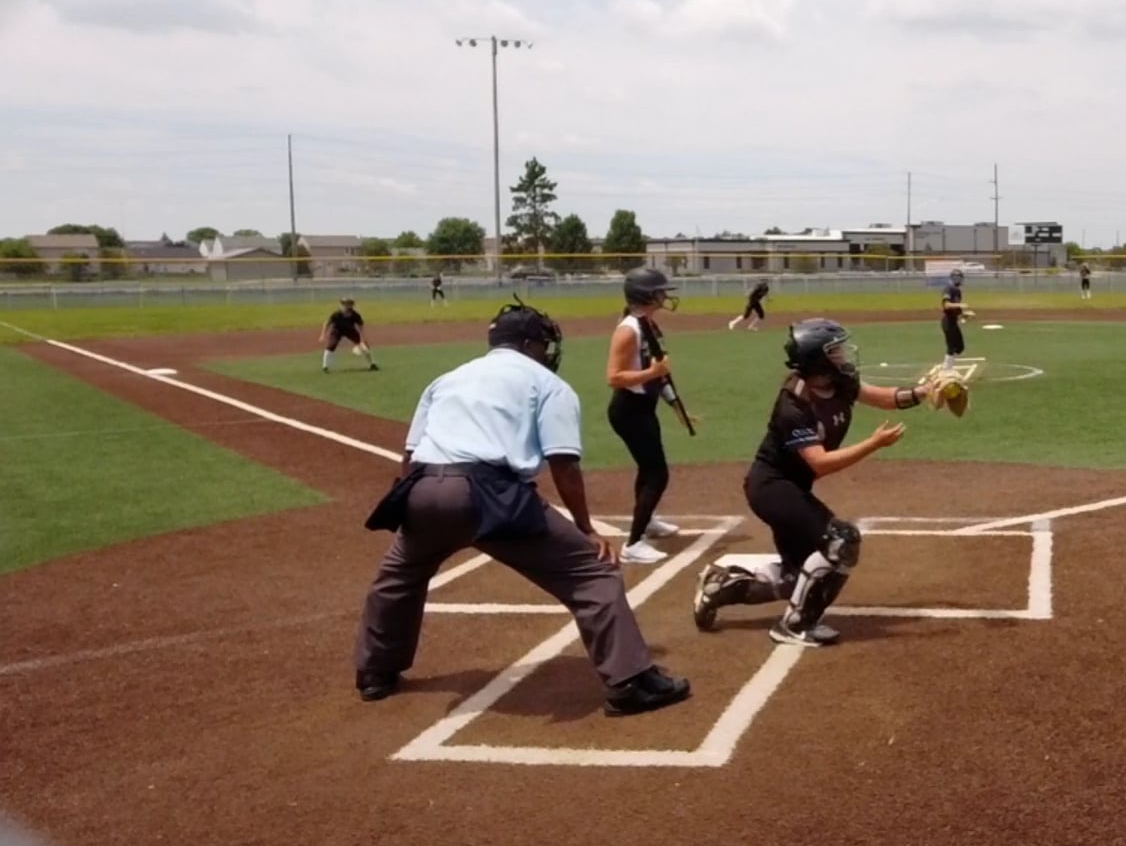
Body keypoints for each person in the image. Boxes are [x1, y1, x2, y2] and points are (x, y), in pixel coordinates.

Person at [354, 298, 690, 716]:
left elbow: (410, 453)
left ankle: (375, 673)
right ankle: (630, 683)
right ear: (530, 344)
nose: (547, 352)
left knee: (398, 577)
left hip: (422, 488)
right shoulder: (548, 385)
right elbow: (563, 463)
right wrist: (585, 527)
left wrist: (417, 512)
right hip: (490, 494)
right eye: (543, 344)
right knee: (594, 574)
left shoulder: (447, 378)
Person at [693, 319, 939, 646]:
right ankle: (794, 625)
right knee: (841, 541)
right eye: (834, 350)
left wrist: (924, 392)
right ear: (816, 358)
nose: (842, 354)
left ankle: (720, 588)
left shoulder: (841, 380)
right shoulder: (794, 404)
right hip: (772, 487)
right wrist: (874, 444)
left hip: (793, 487)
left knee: (797, 576)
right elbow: (820, 463)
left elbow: (883, 398)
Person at [605, 267, 683, 565]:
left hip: (643, 408)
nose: (664, 296)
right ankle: (634, 543)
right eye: (660, 291)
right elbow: (614, 377)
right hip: (629, 411)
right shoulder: (628, 330)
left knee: (648, 468)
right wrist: (652, 372)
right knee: (656, 474)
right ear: (646, 295)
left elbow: (658, 374)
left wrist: (675, 405)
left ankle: (646, 520)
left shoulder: (648, 324)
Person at [320, 298, 378, 372]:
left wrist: (362, 338)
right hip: (337, 330)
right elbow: (327, 323)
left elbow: (360, 327)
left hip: (349, 330)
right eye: (345, 304)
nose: (347, 306)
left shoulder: (355, 315)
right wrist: (322, 334)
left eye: (349, 304)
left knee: (364, 345)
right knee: (331, 345)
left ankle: (372, 364)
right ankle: (325, 366)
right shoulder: (337, 314)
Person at [940, 268, 973, 371]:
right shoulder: (948, 289)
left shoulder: (957, 291)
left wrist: (964, 315)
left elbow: (956, 311)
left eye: (959, 278)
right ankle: (946, 369)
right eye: (955, 278)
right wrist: (961, 305)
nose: (957, 280)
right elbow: (946, 305)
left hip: (953, 322)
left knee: (960, 347)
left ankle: (948, 366)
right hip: (948, 321)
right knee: (952, 347)